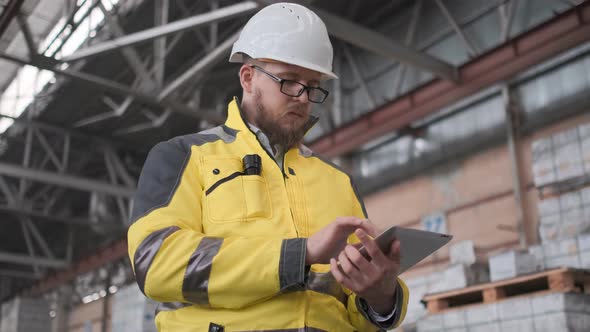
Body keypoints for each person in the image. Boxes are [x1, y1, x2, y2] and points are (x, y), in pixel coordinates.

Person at [127, 3, 409, 331]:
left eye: (313, 86)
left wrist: (381, 296)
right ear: (248, 77)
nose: (303, 97)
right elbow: (155, 261)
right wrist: (299, 255)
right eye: (289, 81)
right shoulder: (184, 156)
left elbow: (352, 307)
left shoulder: (337, 181)